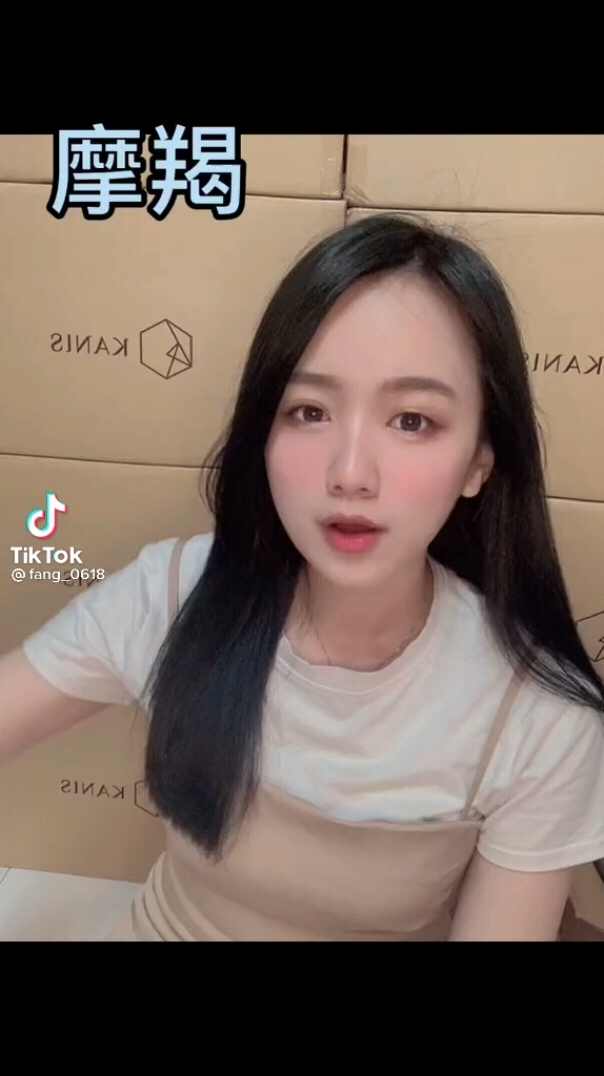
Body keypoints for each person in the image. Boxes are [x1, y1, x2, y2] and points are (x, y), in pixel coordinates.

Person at [2, 213, 604, 942]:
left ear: (480, 461)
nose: (350, 473)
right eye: (309, 411)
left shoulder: (537, 715)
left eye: (412, 421)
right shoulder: (175, 594)